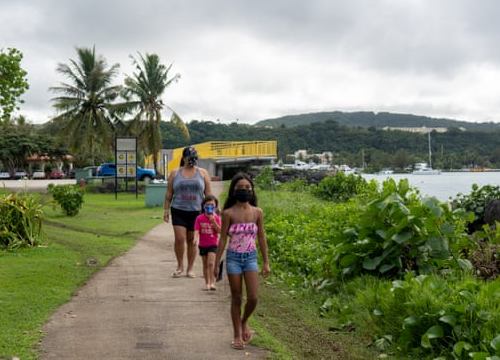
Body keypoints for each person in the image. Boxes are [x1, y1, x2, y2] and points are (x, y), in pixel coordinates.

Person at [214, 172, 270, 350]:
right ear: (233, 191)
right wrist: (216, 263)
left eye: (247, 188)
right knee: (237, 297)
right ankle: (237, 335)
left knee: (253, 297)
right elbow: (222, 239)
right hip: (233, 259)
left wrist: (266, 262)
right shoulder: (228, 213)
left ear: (252, 191)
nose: (244, 191)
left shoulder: (257, 212)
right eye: (240, 188)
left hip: (251, 258)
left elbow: (261, 237)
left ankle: (244, 321)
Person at [164, 146, 212, 278]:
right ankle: (180, 266)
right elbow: (169, 193)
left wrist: (211, 211)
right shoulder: (175, 173)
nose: (192, 160)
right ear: (183, 158)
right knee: (179, 239)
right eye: (189, 157)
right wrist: (166, 210)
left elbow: (208, 194)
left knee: (192, 241)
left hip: (196, 212)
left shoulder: (202, 173)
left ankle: (190, 269)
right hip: (178, 210)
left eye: (194, 157)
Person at [194, 195, 221, 291]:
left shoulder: (217, 218)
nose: (210, 207)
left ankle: (213, 282)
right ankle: (207, 283)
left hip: (213, 244)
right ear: (203, 206)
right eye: (207, 204)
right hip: (203, 245)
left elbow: (219, 231)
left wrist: (213, 221)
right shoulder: (199, 218)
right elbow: (196, 230)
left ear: (215, 207)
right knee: (205, 264)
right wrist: (195, 239)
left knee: (211, 263)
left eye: (212, 205)